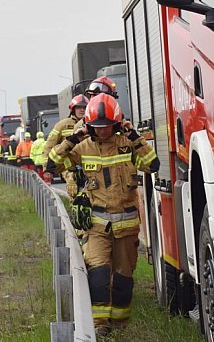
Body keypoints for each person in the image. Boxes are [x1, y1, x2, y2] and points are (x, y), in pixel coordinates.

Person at [47, 94, 159, 336]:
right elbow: (52, 164)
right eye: (97, 127)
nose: (103, 131)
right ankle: (100, 327)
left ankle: (120, 325)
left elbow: (153, 164)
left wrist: (135, 137)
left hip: (127, 226)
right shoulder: (82, 147)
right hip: (97, 226)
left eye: (107, 126)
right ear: (89, 126)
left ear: (117, 123)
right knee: (98, 277)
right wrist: (72, 139)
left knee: (122, 282)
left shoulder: (127, 144)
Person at [42, 94, 89, 187]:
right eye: (79, 107)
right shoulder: (62, 125)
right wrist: (47, 168)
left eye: (84, 107)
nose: (82, 110)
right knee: (73, 184)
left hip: (88, 163)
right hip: (68, 166)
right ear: (73, 109)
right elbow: (49, 146)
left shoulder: (91, 123)